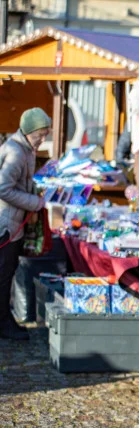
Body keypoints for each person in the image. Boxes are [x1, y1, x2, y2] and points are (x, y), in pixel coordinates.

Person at [0, 107, 50, 340]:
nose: (43, 139)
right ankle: (4, 324)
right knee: (3, 274)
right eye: (40, 134)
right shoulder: (17, 153)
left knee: (7, 274)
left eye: (45, 134)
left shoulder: (24, 148)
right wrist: (34, 202)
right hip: (5, 224)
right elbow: (3, 188)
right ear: (28, 131)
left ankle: (5, 320)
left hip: (12, 222)